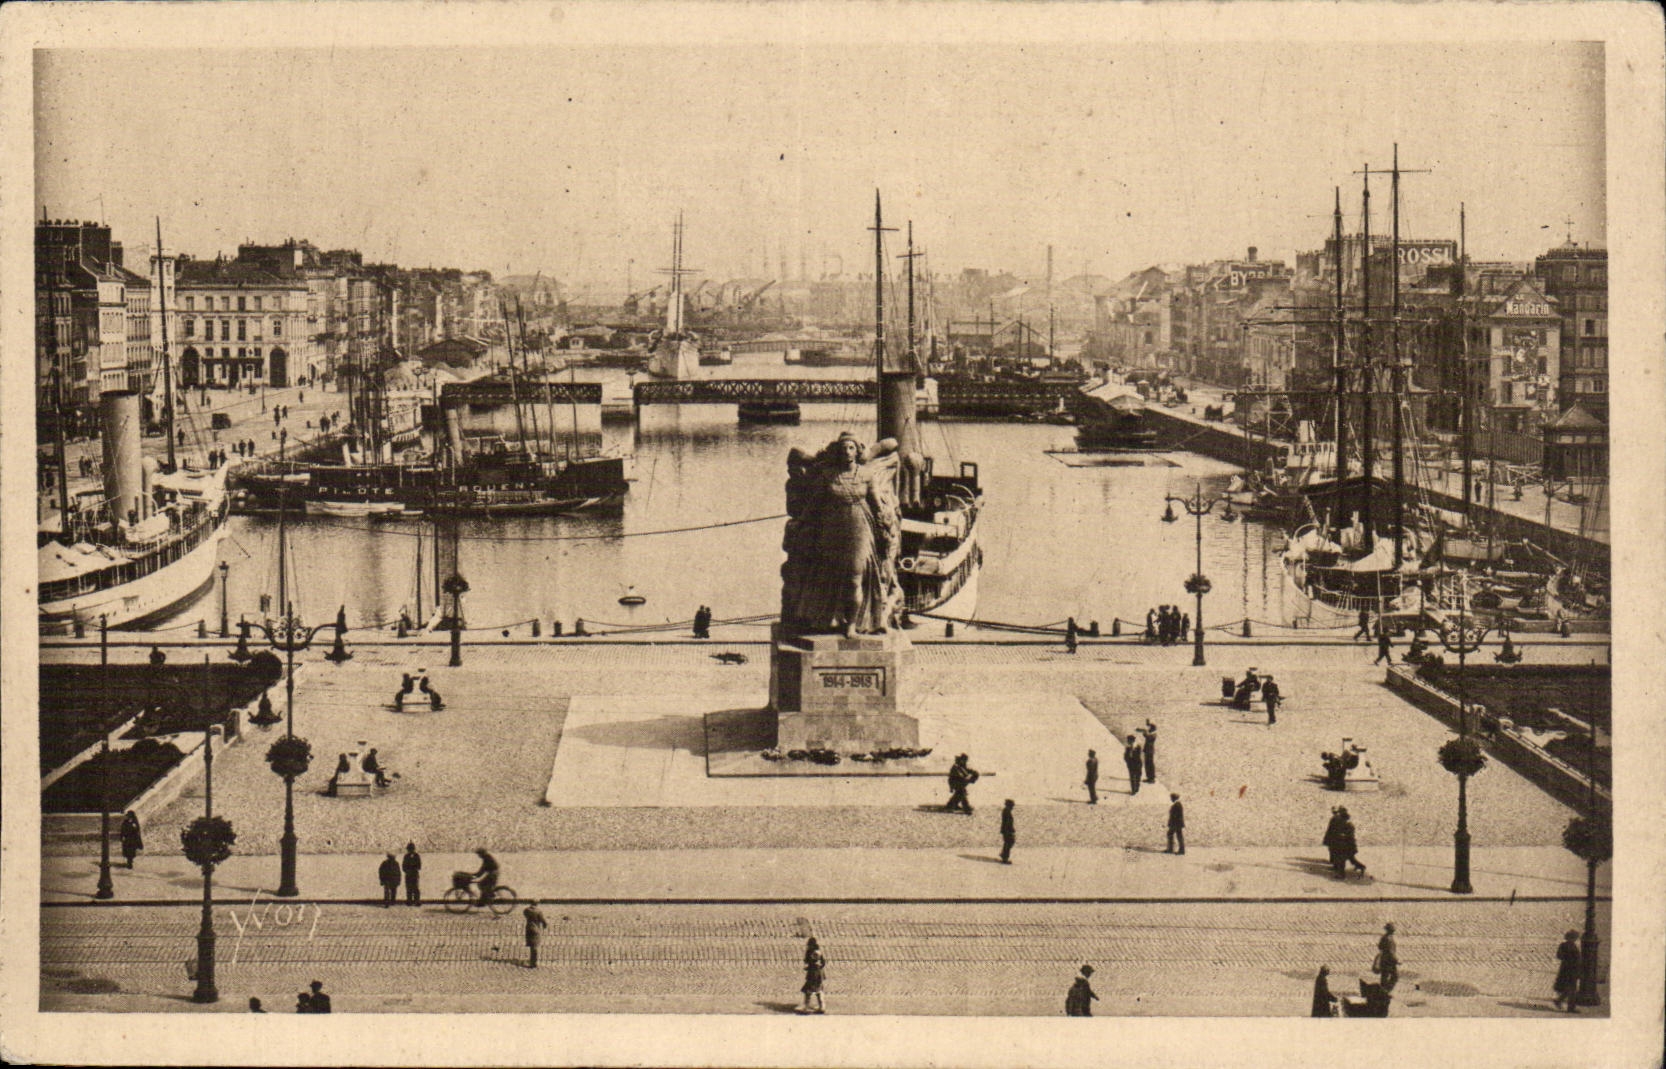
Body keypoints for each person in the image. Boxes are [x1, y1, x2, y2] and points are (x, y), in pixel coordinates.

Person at [1553, 929, 1582, 1011]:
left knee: (1569, 988)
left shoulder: (1563, 945)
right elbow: (1577, 959)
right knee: (1572, 988)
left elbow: (1559, 956)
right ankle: (1570, 1007)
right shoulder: (1573, 946)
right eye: (1575, 937)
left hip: (1565, 968)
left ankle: (1559, 1001)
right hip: (1571, 969)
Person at [800, 938, 827, 1014]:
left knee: (808, 990)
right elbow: (823, 963)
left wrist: (808, 967)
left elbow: (808, 961)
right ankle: (822, 1006)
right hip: (820, 974)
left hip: (812, 974)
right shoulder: (819, 951)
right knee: (819, 990)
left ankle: (805, 1007)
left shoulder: (810, 952)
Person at [1338, 809, 1366, 878]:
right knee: (1351, 859)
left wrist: (1342, 835)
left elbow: (1349, 835)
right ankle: (1362, 867)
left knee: (1342, 860)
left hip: (1348, 845)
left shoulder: (1349, 825)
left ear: (1344, 818)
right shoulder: (1348, 824)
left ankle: (1342, 875)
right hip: (1349, 846)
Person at [1322, 807, 1347, 877]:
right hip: (1335, 839)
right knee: (1335, 853)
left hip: (1337, 839)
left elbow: (1335, 830)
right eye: (1334, 811)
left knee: (1338, 854)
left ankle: (1339, 871)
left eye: (1335, 811)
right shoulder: (1336, 818)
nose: (1334, 813)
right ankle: (1336, 866)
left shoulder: (1338, 819)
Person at [523, 903, 549, 968]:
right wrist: (545, 925)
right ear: (537, 904)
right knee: (535, 946)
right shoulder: (538, 911)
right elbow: (543, 920)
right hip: (536, 929)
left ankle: (532, 961)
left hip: (529, 928)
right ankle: (534, 963)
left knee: (532, 946)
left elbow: (525, 915)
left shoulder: (526, 910)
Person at [1373, 923, 1398, 991]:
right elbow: (1391, 952)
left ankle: (1383, 991)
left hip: (1384, 960)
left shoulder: (1384, 937)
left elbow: (1380, 947)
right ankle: (1385, 991)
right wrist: (1396, 960)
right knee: (1395, 977)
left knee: (1384, 977)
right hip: (1389, 962)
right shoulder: (1389, 939)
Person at [999, 800, 1016, 864]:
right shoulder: (1006, 811)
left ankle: (1004, 855)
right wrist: (1008, 830)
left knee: (1008, 843)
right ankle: (1004, 857)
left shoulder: (1006, 811)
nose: (1013, 807)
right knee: (1009, 843)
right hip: (1007, 830)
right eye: (1012, 805)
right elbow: (1007, 822)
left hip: (1007, 830)